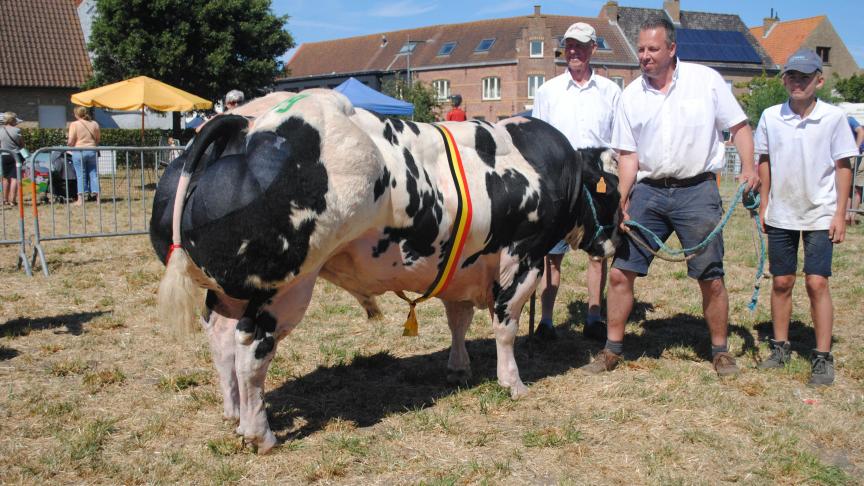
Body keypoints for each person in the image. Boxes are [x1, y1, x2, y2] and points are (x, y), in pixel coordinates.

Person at [583, 17, 759, 376]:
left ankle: (720, 351)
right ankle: (612, 348)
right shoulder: (630, 95)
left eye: (653, 49)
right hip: (649, 192)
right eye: (641, 50)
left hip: (697, 191)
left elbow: (739, 126)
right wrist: (622, 197)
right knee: (620, 273)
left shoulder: (705, 81)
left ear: (672, 49)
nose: (645, 56)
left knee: (710, 275)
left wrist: (749, 167)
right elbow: (629, 157)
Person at [754, 48, 858, 386]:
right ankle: (780, 347)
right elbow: (765, 161)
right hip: (783, 212)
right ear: (784, 79)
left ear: (819, 79)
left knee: (817, 282)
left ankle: (822, 356)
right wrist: (765, 202)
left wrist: (840, 213)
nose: (797, 82)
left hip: (820, 213)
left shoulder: (833, 118)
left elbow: (844, 167)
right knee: (782, 281)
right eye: (792, 76)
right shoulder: (771, 116)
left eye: (805, 76)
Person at [531, 22, 621, 341]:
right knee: (551, 253)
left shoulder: (611, 92)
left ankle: (594, 316)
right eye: (569, 45)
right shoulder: (547, 91)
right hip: (560, 177)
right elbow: (537, 140)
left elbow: (619, 141)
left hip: (598, 176)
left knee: (598, 252)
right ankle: (547, 321)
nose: (573, 51)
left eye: (580, 45)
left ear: (593, 49)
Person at [67, 106, 101, 205]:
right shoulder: (94, 123)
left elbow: (70, 141)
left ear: (77, 114)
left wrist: (69, 144)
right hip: (92, 150)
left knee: (80, 174)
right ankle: (98, 199)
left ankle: (80, 199)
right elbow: (98, 139)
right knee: (94, 174)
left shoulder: (74, 124)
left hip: (79, 151)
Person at [0, 112, 23, 206]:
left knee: (5, 178)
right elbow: (22, 145)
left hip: (4, 155)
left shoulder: (0, 130)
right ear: (13, 120)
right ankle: (12, 200)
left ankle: (4, 199)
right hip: (16, 155)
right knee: (15, 178)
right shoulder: (17, 130)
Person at [846, 116, 864, 224]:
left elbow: (860, 131)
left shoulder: (849, 119)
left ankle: (850, 215)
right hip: (857, 155)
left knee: (852, 187)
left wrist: (856, 149)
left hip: (856, 156)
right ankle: (850, 216)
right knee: (853, 187)